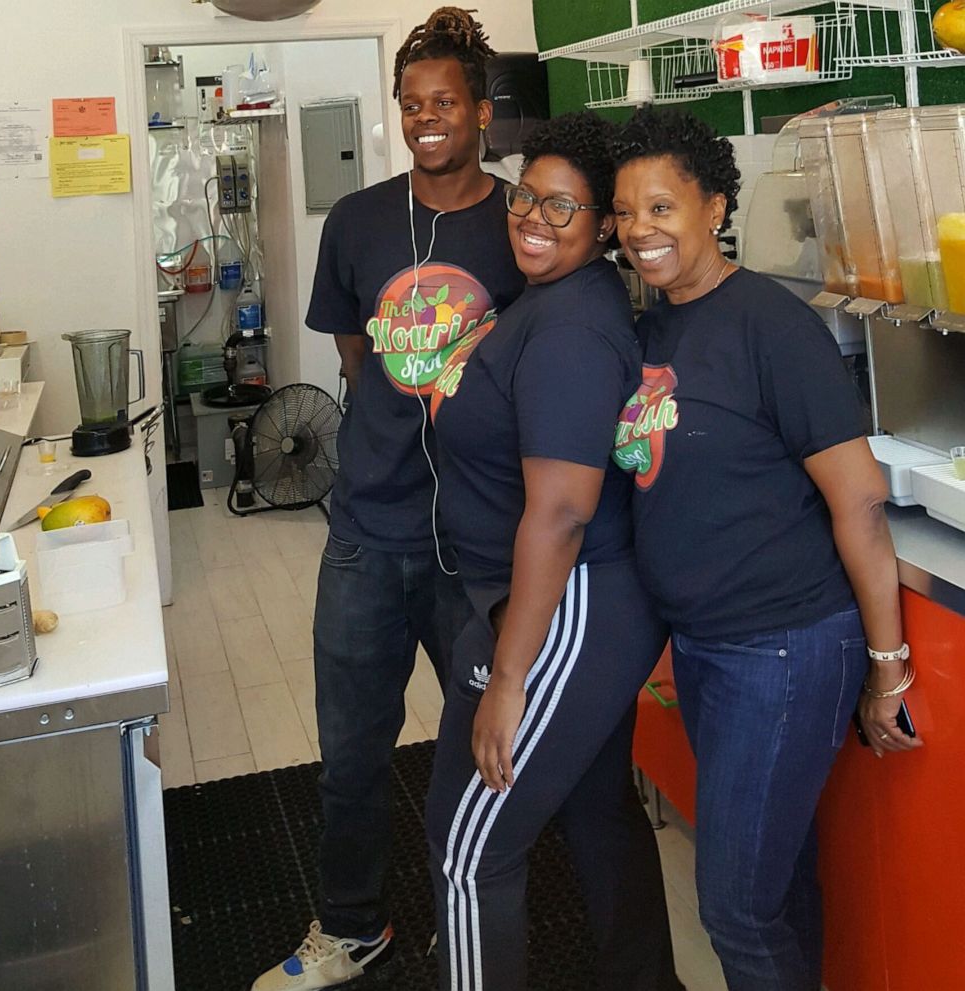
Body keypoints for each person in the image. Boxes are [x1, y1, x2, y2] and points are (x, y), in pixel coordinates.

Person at [610, 105, 923, 991]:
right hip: (707, 646)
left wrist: (886, 663)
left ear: (714, 207)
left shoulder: (769, 325)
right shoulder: (656, 322)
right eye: (627, 211)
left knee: (736, 908)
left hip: (781, 646)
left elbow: (859, 501)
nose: (641, 230)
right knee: (775, 885)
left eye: (662, 208)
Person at [251, 9, 525, 991]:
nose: (424, 119)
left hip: (479, 547)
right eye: (410, 104)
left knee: (487, 754)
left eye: (443, 101)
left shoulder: (517, 223)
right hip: (367, 534)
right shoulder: (358, 221)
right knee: (350, 758)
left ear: (479, 112)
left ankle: (475, 909)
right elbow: (354, 356)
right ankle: (353, 925)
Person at [424, 111, 685, 991]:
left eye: (563, 208)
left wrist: (509, 675)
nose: (533, 217)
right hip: (554, 597)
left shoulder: (570, 329)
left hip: (563, 602)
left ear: (605, 224)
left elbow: (564, 512)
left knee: (468, 845)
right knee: (596, 808)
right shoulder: (551, 299)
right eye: (526, 196)